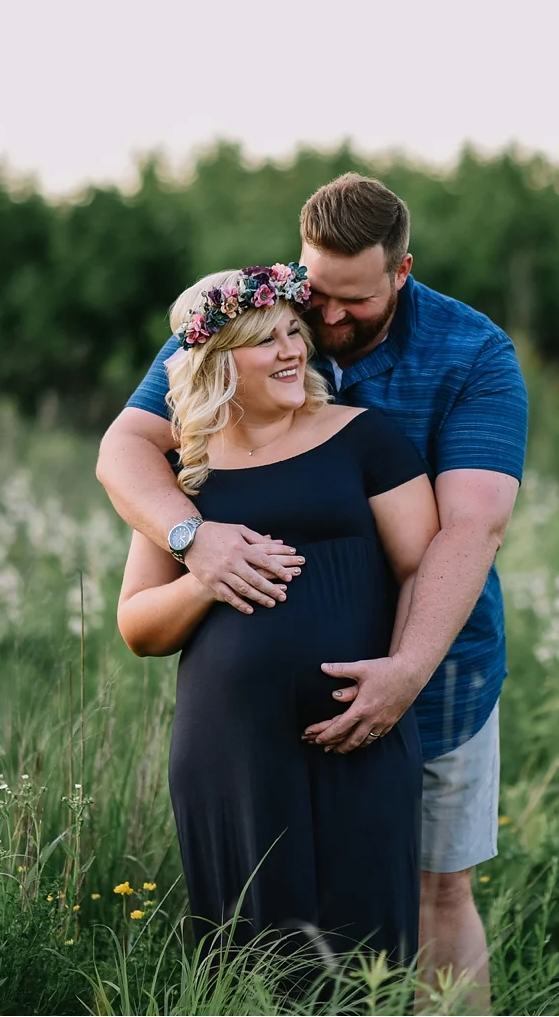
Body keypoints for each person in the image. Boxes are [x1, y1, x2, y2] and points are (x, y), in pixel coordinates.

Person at [98, 173, 528, 1008]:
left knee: (436, 893)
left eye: (347, 304)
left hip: (439, 666)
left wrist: (405, 670)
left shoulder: (471, 354)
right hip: (244, 737)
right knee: (257, 926)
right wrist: (193, 542)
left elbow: (466, 528)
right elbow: (126, 446)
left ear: (401, 272)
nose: (320, 326)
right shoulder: (246, 311)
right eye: (309, 296)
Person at [115, 264, 439, 965]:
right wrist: (204, 571)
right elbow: (138, 626)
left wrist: (401, 672)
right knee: (249, 959)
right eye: (266, 339)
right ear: (215, 362)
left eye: (297, 331)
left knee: (367, 961)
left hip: (359, 730)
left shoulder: (366, 439)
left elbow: (423, 566)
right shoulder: (185, 478)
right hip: (228, 753)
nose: (293, 349)